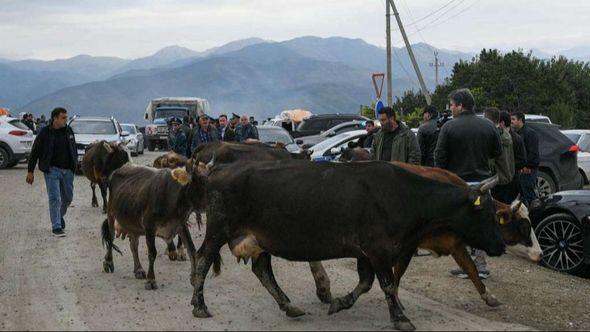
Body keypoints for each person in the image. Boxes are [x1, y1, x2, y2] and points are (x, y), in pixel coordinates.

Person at [434, 89, 502, 279]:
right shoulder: (488, 126)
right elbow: (497, 152)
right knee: (482, 222)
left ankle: (466, 265)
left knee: (459, 225)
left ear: (461, 106)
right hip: (483, 183)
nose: (451, 109)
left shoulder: (449, 127)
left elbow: (439, 156)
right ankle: (480, 264)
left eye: (452, 105)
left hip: (458, 185)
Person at [26, 107, 77, 237]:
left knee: (68, 198)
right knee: (55, 198)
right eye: (63, 118)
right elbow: (35, 151)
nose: (66, 120)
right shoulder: (45, 133)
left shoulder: (69, 131)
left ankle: (59, 215)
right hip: (52, 170)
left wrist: (74, 166)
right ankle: (56, 227)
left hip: (68, 171)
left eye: (67, 117)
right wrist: (30, 171)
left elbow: (74, 149)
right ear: (55, 118)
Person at [484, 108, 515, 204]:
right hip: (508, 176)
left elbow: (491, 162)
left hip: (497, 180)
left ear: (487, 119)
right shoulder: (506, 134)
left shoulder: (493, 136)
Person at [511, 112, 539, 207]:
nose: (512, 122)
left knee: (529, 196)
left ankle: (535, 216)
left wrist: (527, 166)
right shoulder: (517, 133)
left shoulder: (530, 133)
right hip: (520, 169)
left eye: (513, 119)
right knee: (522, 196)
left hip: (528, 169)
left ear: (520, 120)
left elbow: (533, 152)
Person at [500, 111, 527, 201]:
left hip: (511, 180)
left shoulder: (516, 139)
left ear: (502, 123)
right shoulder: (516, 137)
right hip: (502, 180)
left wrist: (508, 164)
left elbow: (522, 160)